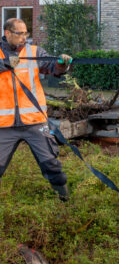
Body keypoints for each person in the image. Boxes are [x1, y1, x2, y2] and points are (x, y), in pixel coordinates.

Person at [0, 18, 72, 201]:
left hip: (34, 122)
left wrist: (62, 65)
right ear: (7, 33)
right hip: (4, 125)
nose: (24, 37)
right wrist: (6, 64)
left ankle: (64, 201)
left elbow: (52, 68)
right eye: (20, 33)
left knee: (52, 165)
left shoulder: (35, 52)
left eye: (26, 33)